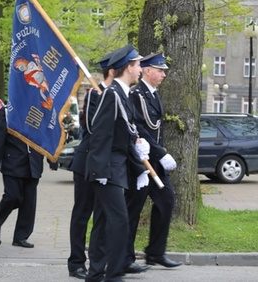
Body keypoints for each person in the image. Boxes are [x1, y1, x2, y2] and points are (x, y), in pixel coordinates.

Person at [84, 44, 150, 282]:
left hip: (117, 167)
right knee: (120, 220)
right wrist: (100, 170)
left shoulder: (124, 94)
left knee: (102, 222)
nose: (141, 68)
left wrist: (137, 144)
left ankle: (95, 273)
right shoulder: (112, 95)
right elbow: (99, 133)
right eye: (138, 64)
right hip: (108, 169)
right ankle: (114, 273)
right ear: (128, 68)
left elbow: (125, 131)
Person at [125, 53, 183, 269]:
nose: (163, 74)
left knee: (166, 201)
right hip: (140, 163)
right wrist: (161, 153)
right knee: (133, 209)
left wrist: (159, 154)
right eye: (160, 70)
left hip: (155, 163)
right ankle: (126, 257)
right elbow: (139, 127)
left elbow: (156, 128)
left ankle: (155, 252)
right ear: (147, 71)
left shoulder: (154, 95)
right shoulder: (136, 95)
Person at [67, 53, 113, 279]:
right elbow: (92, 126)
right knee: (82, 214)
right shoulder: (95, 94)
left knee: (102, 216)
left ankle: (98, 264)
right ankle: (76, 262)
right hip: (86, 163)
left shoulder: (120, 95)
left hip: (106, 166)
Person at [0, 106, 47, 249]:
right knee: (12, 196)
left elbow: (47, 135)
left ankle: (21, 236)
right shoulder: (8, 110)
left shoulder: (41, 108)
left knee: (29, 202)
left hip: (33, 162)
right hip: (13, 161)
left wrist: (53, 158)